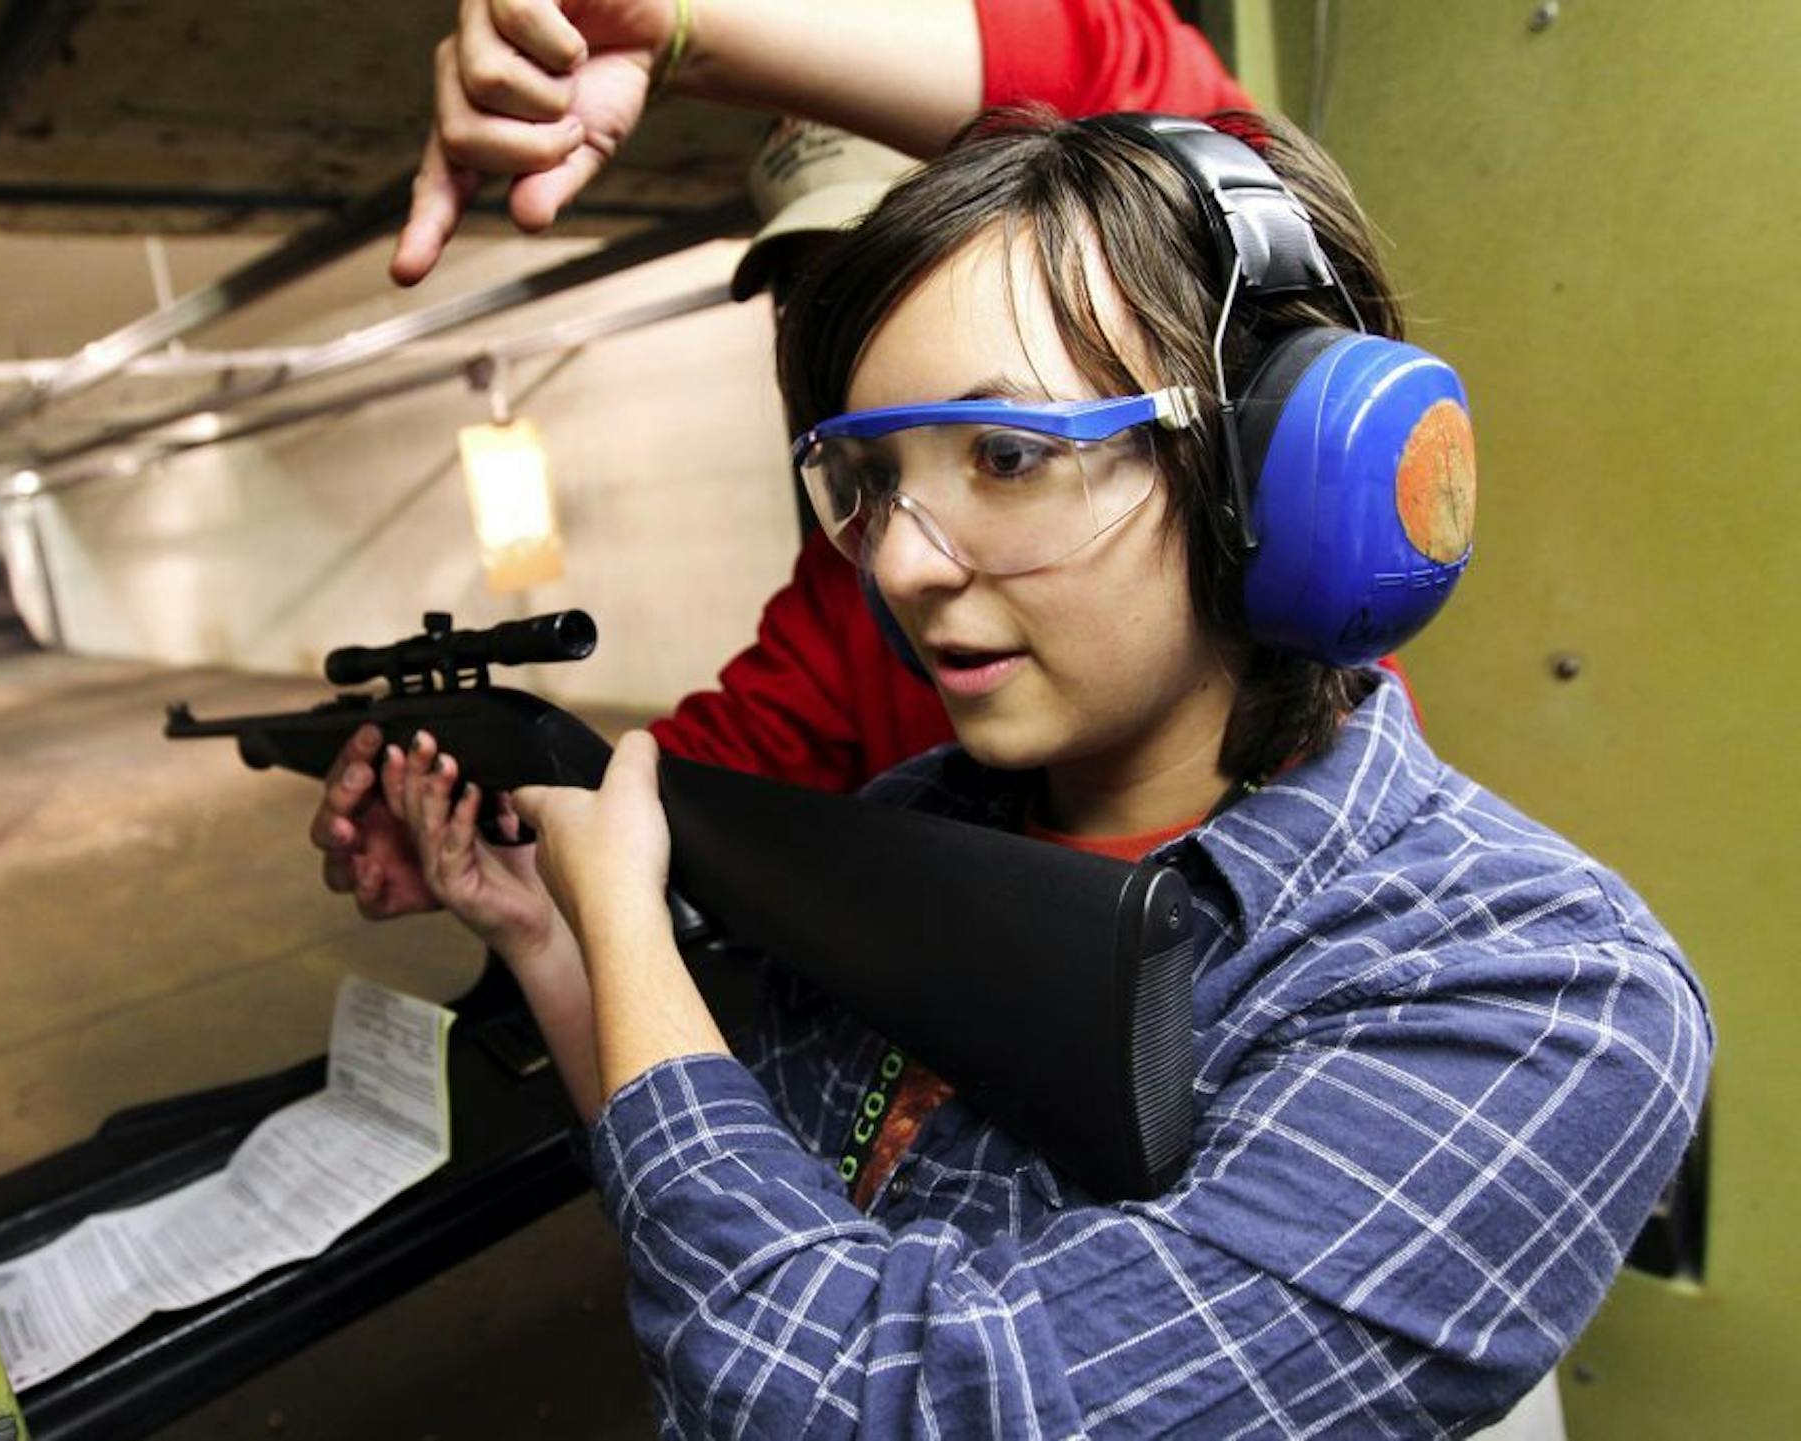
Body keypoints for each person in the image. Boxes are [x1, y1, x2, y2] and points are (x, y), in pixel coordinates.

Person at [375, 109, 1713, 1434]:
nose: (902, 561)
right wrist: (560, 944)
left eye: (1006, 457)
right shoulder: (909, 827)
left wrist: (630, 925)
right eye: (872, 476)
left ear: (1269, 470)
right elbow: (741, 1229)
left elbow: (862, 1408)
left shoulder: (1543, 993)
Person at [315, 0, 1250, 913]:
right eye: (818, 288)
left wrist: (687, 27)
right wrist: (497, 839)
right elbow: (705, 776)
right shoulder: (855, 585)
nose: (904, 565)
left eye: (1009, 453)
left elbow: (1181, 132)